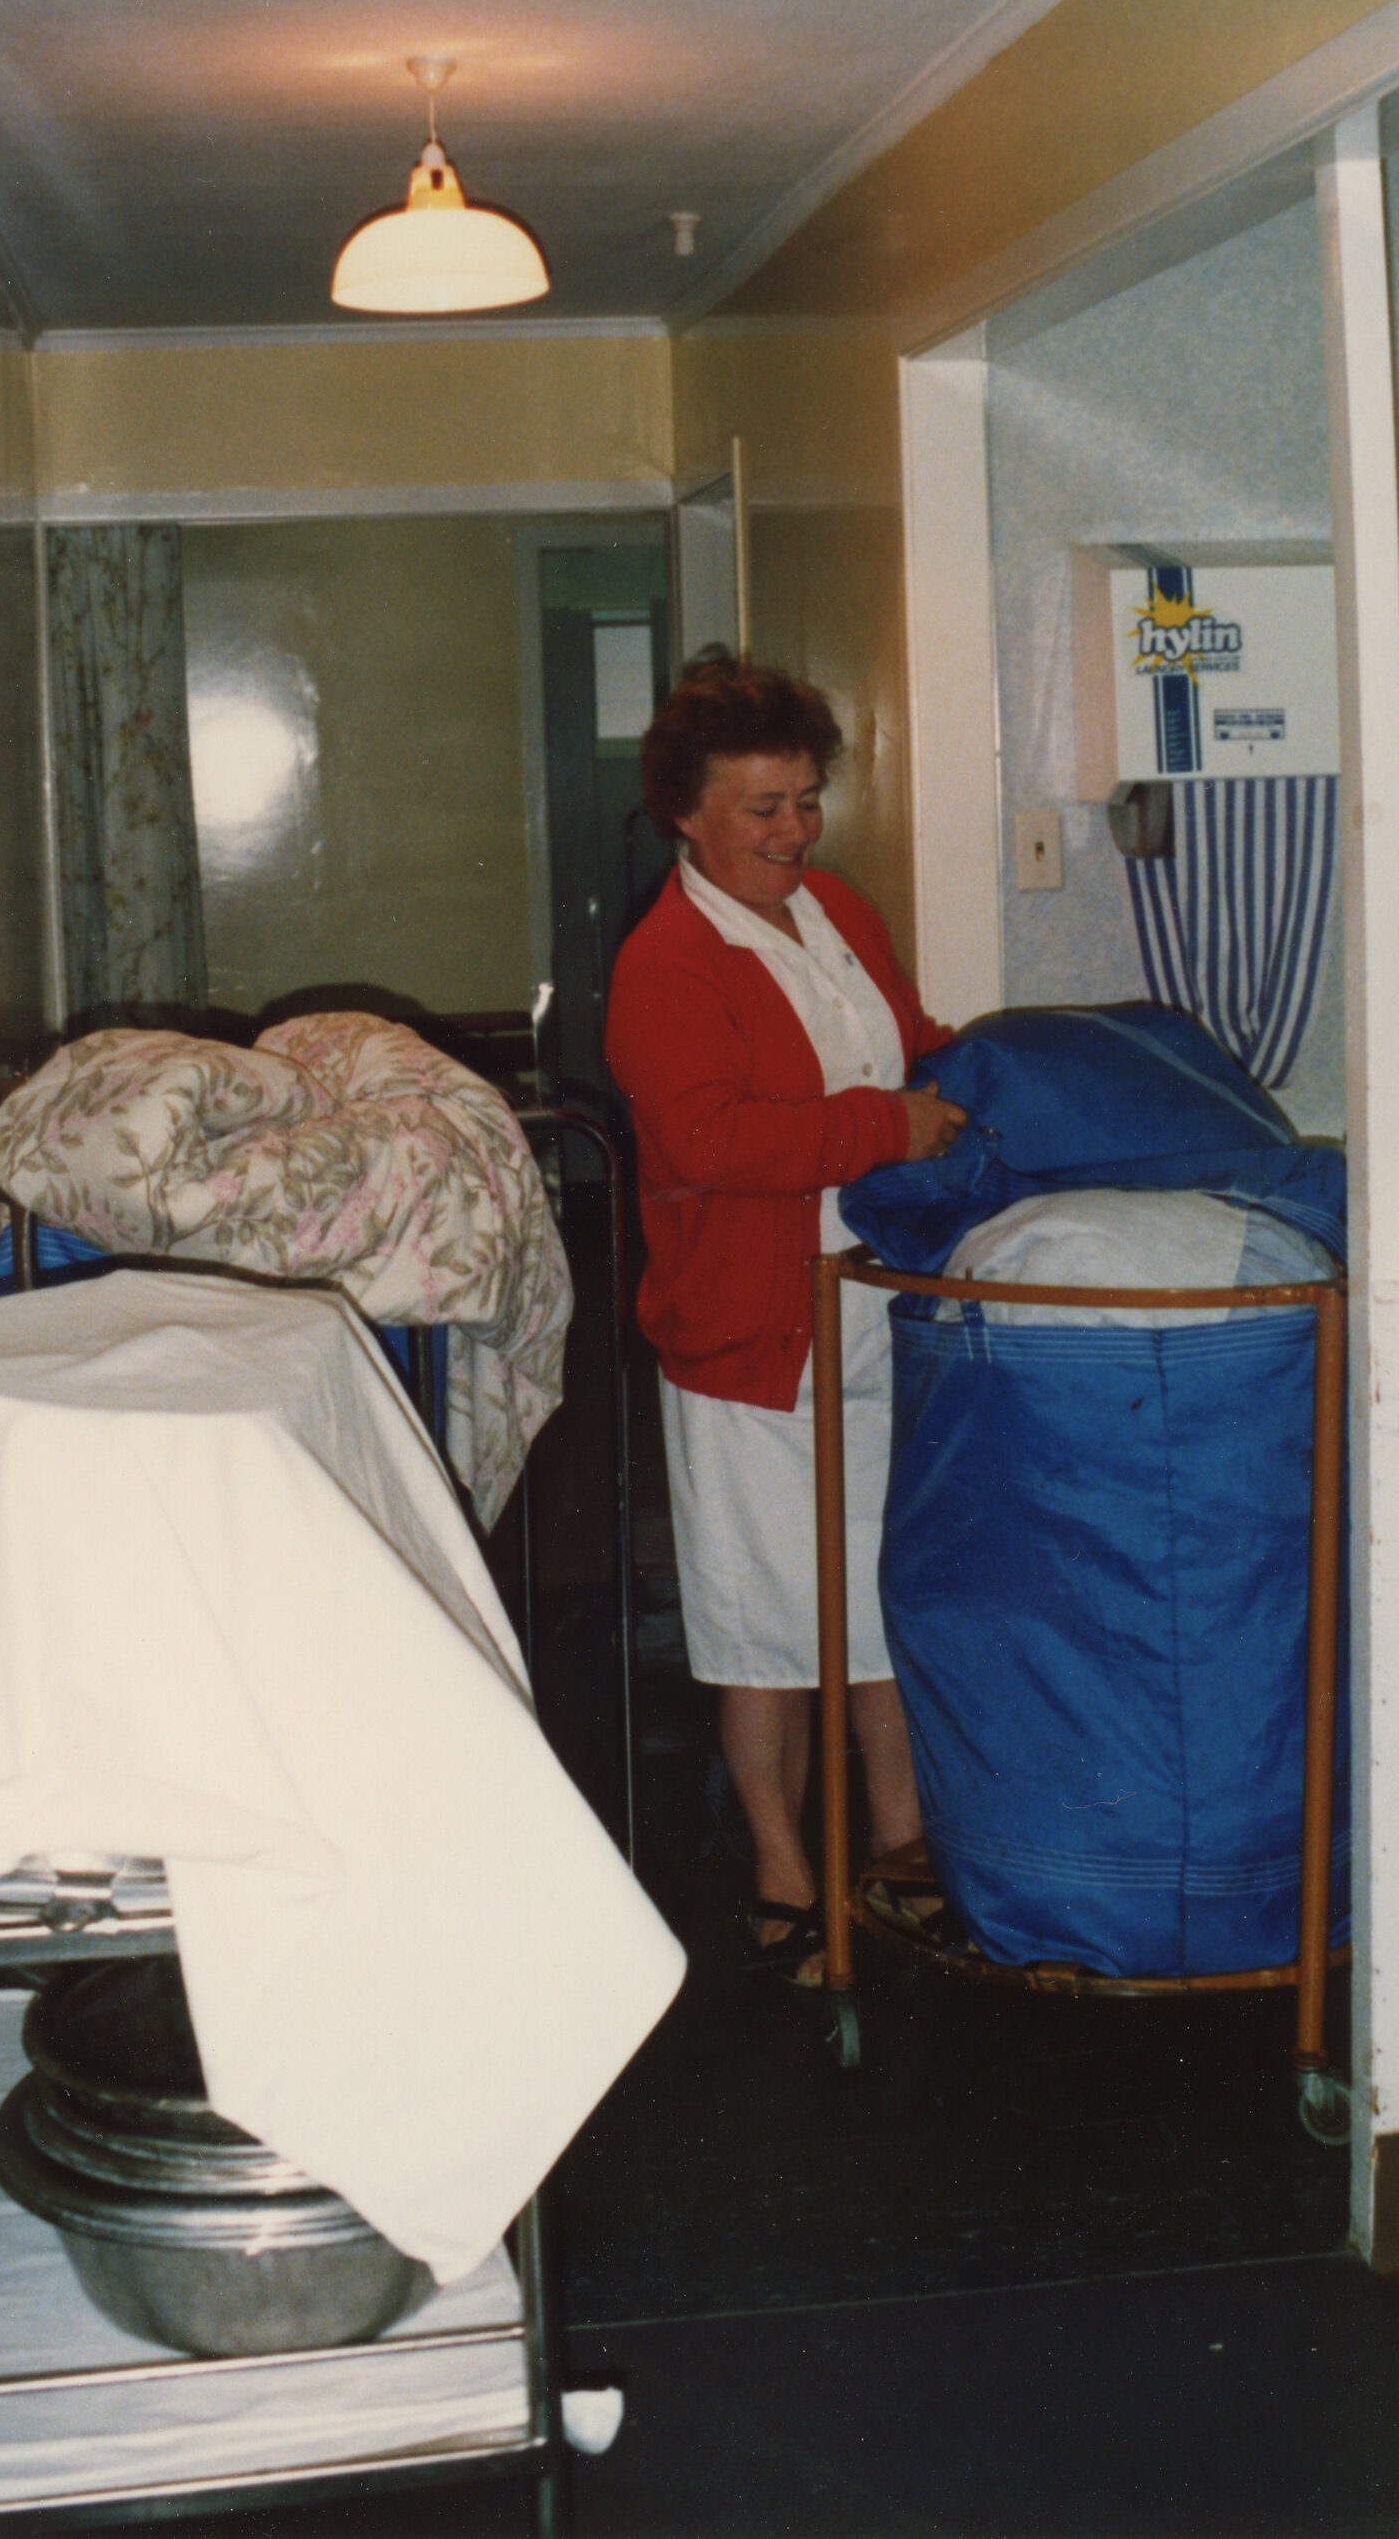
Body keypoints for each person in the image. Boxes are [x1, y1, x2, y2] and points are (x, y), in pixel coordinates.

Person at [605, 654, 967, 1983]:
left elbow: (908, 1042)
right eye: (759, 808)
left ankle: (904, 1847)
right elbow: (705, 1140)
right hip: (751, 1336)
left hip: (876, 1307)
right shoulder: (667, 965)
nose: (790, 832)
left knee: (881, 1590)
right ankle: (779, 1867)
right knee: (767, 1620)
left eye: (804, 801)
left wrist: (979, 1080)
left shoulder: (840, 914)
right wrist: (885, 1126)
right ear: (686, 815)